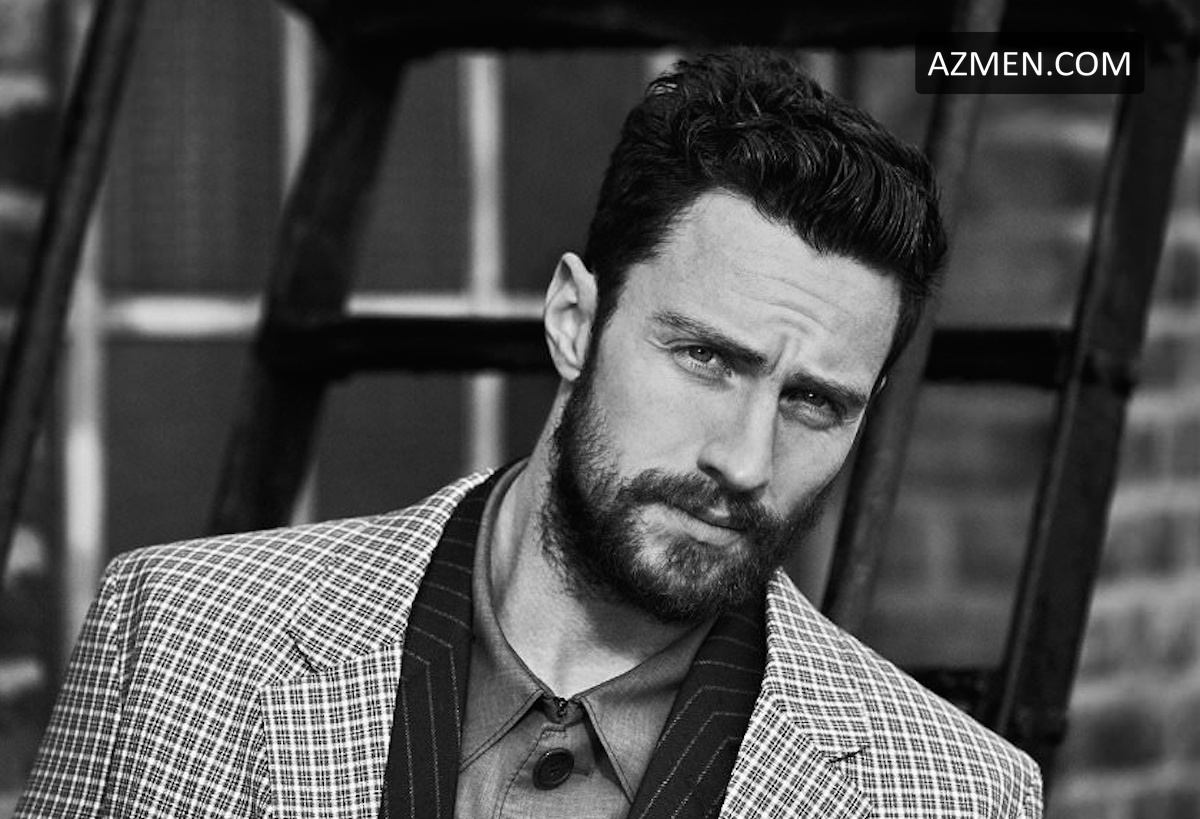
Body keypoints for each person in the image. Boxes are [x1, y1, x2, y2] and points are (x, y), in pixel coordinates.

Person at [17, 48, 1042, 818]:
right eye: (706, 357)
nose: (744, 459)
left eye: (815, 402)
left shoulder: (952, 793)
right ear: (574, 321)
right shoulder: (178, 638)